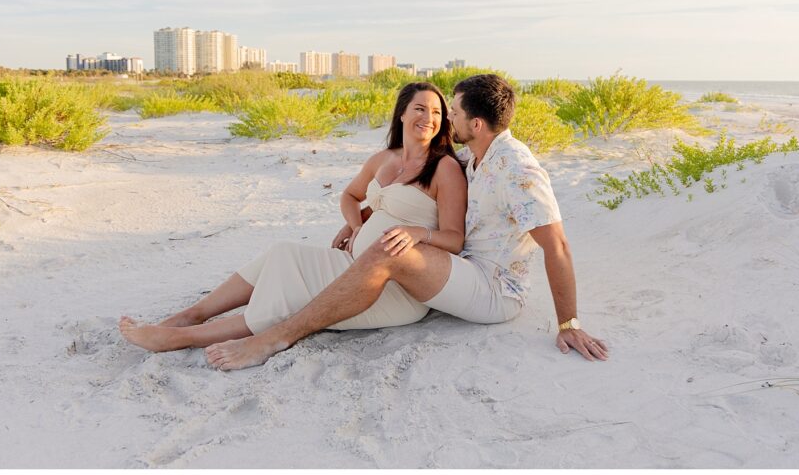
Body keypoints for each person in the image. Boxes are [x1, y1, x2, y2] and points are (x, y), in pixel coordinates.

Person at [205, 74, 608, 371]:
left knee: (387, 250)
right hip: (462, 267)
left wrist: (569, 323)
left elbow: (557, 246)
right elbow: (412, 185)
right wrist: (360, 219)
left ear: (477, 125)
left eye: (454, 111)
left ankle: (277, 337)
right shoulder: (475, 156)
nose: (448, 116)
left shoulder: (517, 169)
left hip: (494, 288)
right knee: (360, 246)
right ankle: (203, 318)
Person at [119, 82, 467, 352]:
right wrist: (356, 225)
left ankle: (186, 337)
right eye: (420, 109)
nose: (429, 118)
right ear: (402, 114)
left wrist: (417, 233)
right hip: (352, 260)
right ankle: (191, 315)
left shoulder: (445, 168)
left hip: (388, 287)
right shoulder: (385, 158)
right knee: (279, 254)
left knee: (287, 279)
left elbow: (454, 238)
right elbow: (350, 196)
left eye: (437, 113)